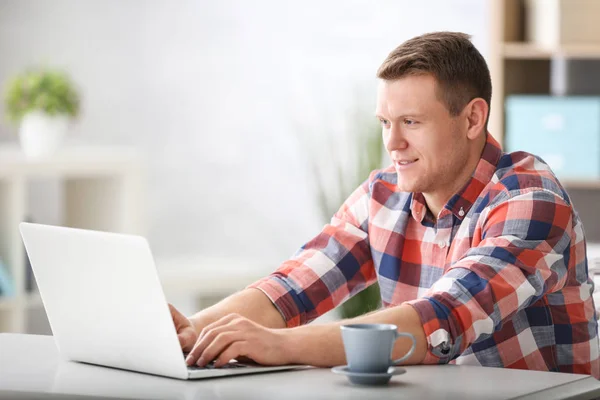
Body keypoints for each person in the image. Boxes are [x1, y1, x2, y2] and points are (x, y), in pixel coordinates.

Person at [170, 31, 600, 377]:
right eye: (385, 123)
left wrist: (277, 344)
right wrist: (193, 331)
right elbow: (291, 289)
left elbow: (440, 319)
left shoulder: (531, 201)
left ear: (472, 118)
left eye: (411, 122)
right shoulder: (384, 195)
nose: (393, 144)